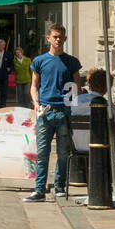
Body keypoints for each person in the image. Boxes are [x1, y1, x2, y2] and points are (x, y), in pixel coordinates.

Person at [26, 24, 82, 202]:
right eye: (55, 36)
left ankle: (59, 186)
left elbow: (77, 88)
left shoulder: (72, 62)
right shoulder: (40, 61)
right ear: (48, 38)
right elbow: (34, 86)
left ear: (65, 39)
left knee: (63, 153)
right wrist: (36, 103)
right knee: (42, 152)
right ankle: (39, 189)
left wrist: (72, 106)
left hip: (64, 112)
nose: (58, 40)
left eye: (61, 37)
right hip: (45, 112)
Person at [69, 67, 115, 153]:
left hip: (77, 147)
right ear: (108, 87)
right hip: (101, 147)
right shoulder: (106, 104)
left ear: (89, 85)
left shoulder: (77, 100)